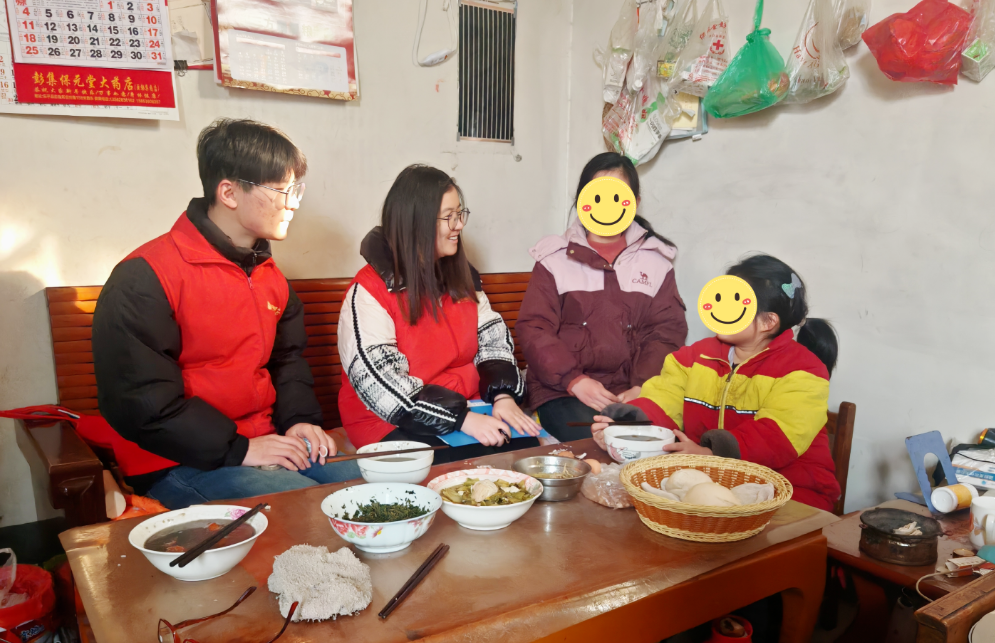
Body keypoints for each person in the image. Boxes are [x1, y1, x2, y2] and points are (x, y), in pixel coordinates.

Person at [92, 118, 360, 509]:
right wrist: (240, 448)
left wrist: (299, 421)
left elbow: (287, 361)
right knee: (306, 510)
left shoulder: (270, 276)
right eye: (282, 191)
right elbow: (142, 402)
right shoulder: (144, 277)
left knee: (367, 487)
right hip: (177, 460)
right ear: (229, 192)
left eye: (295, 190)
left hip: (263, 441)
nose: (293, 203)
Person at [593, 254, 841, 511]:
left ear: (768, 321)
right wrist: (629, 425)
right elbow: (664, 399)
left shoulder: (804, 370)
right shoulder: (694, 357)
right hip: (713, 483)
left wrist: (713, 453)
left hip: (792, 493)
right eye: (719, 299)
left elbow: (776, 436)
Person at [337, 164, 540, 461]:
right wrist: (462, 420)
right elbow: (381, 385)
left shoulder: (462, 277)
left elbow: (493, 342)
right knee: (460, 467)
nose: (459, 225)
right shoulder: (368, 292)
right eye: (449, 217)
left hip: (468, 407)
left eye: (460, 214)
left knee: (524, 451)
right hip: (393, 420)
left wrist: (503, 396)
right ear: (415, 223)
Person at [516, 152, 688, 441]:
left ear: (634, 202)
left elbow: (666, 331)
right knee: (600, 442)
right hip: (562, 391)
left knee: (657, 441)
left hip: (632, 390)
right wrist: (574, 381)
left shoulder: (656, 262)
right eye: (598, 196)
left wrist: (643, 386)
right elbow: (535, 328)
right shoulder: (554, 259)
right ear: (582, 200)